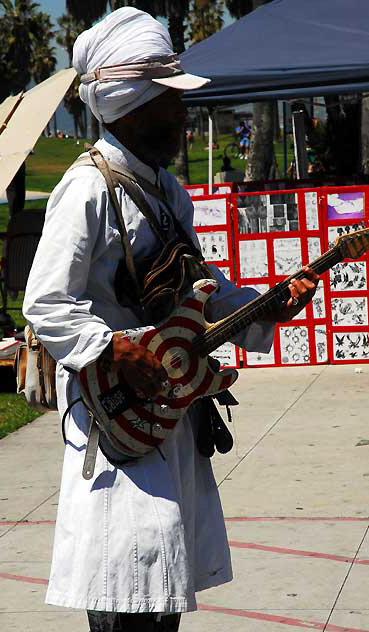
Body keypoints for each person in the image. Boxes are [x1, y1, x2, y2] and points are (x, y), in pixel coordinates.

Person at [23, 8, 319, 632]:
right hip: (118, 422)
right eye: (169, 102)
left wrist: (266, 307)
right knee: (124, 580)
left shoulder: (165, 191)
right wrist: (109, 349)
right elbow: (46, 301)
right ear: (131, 105)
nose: (183, 116)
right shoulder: (86, 190)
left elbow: (202, 296)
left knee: (159, 588)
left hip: (169, 413)